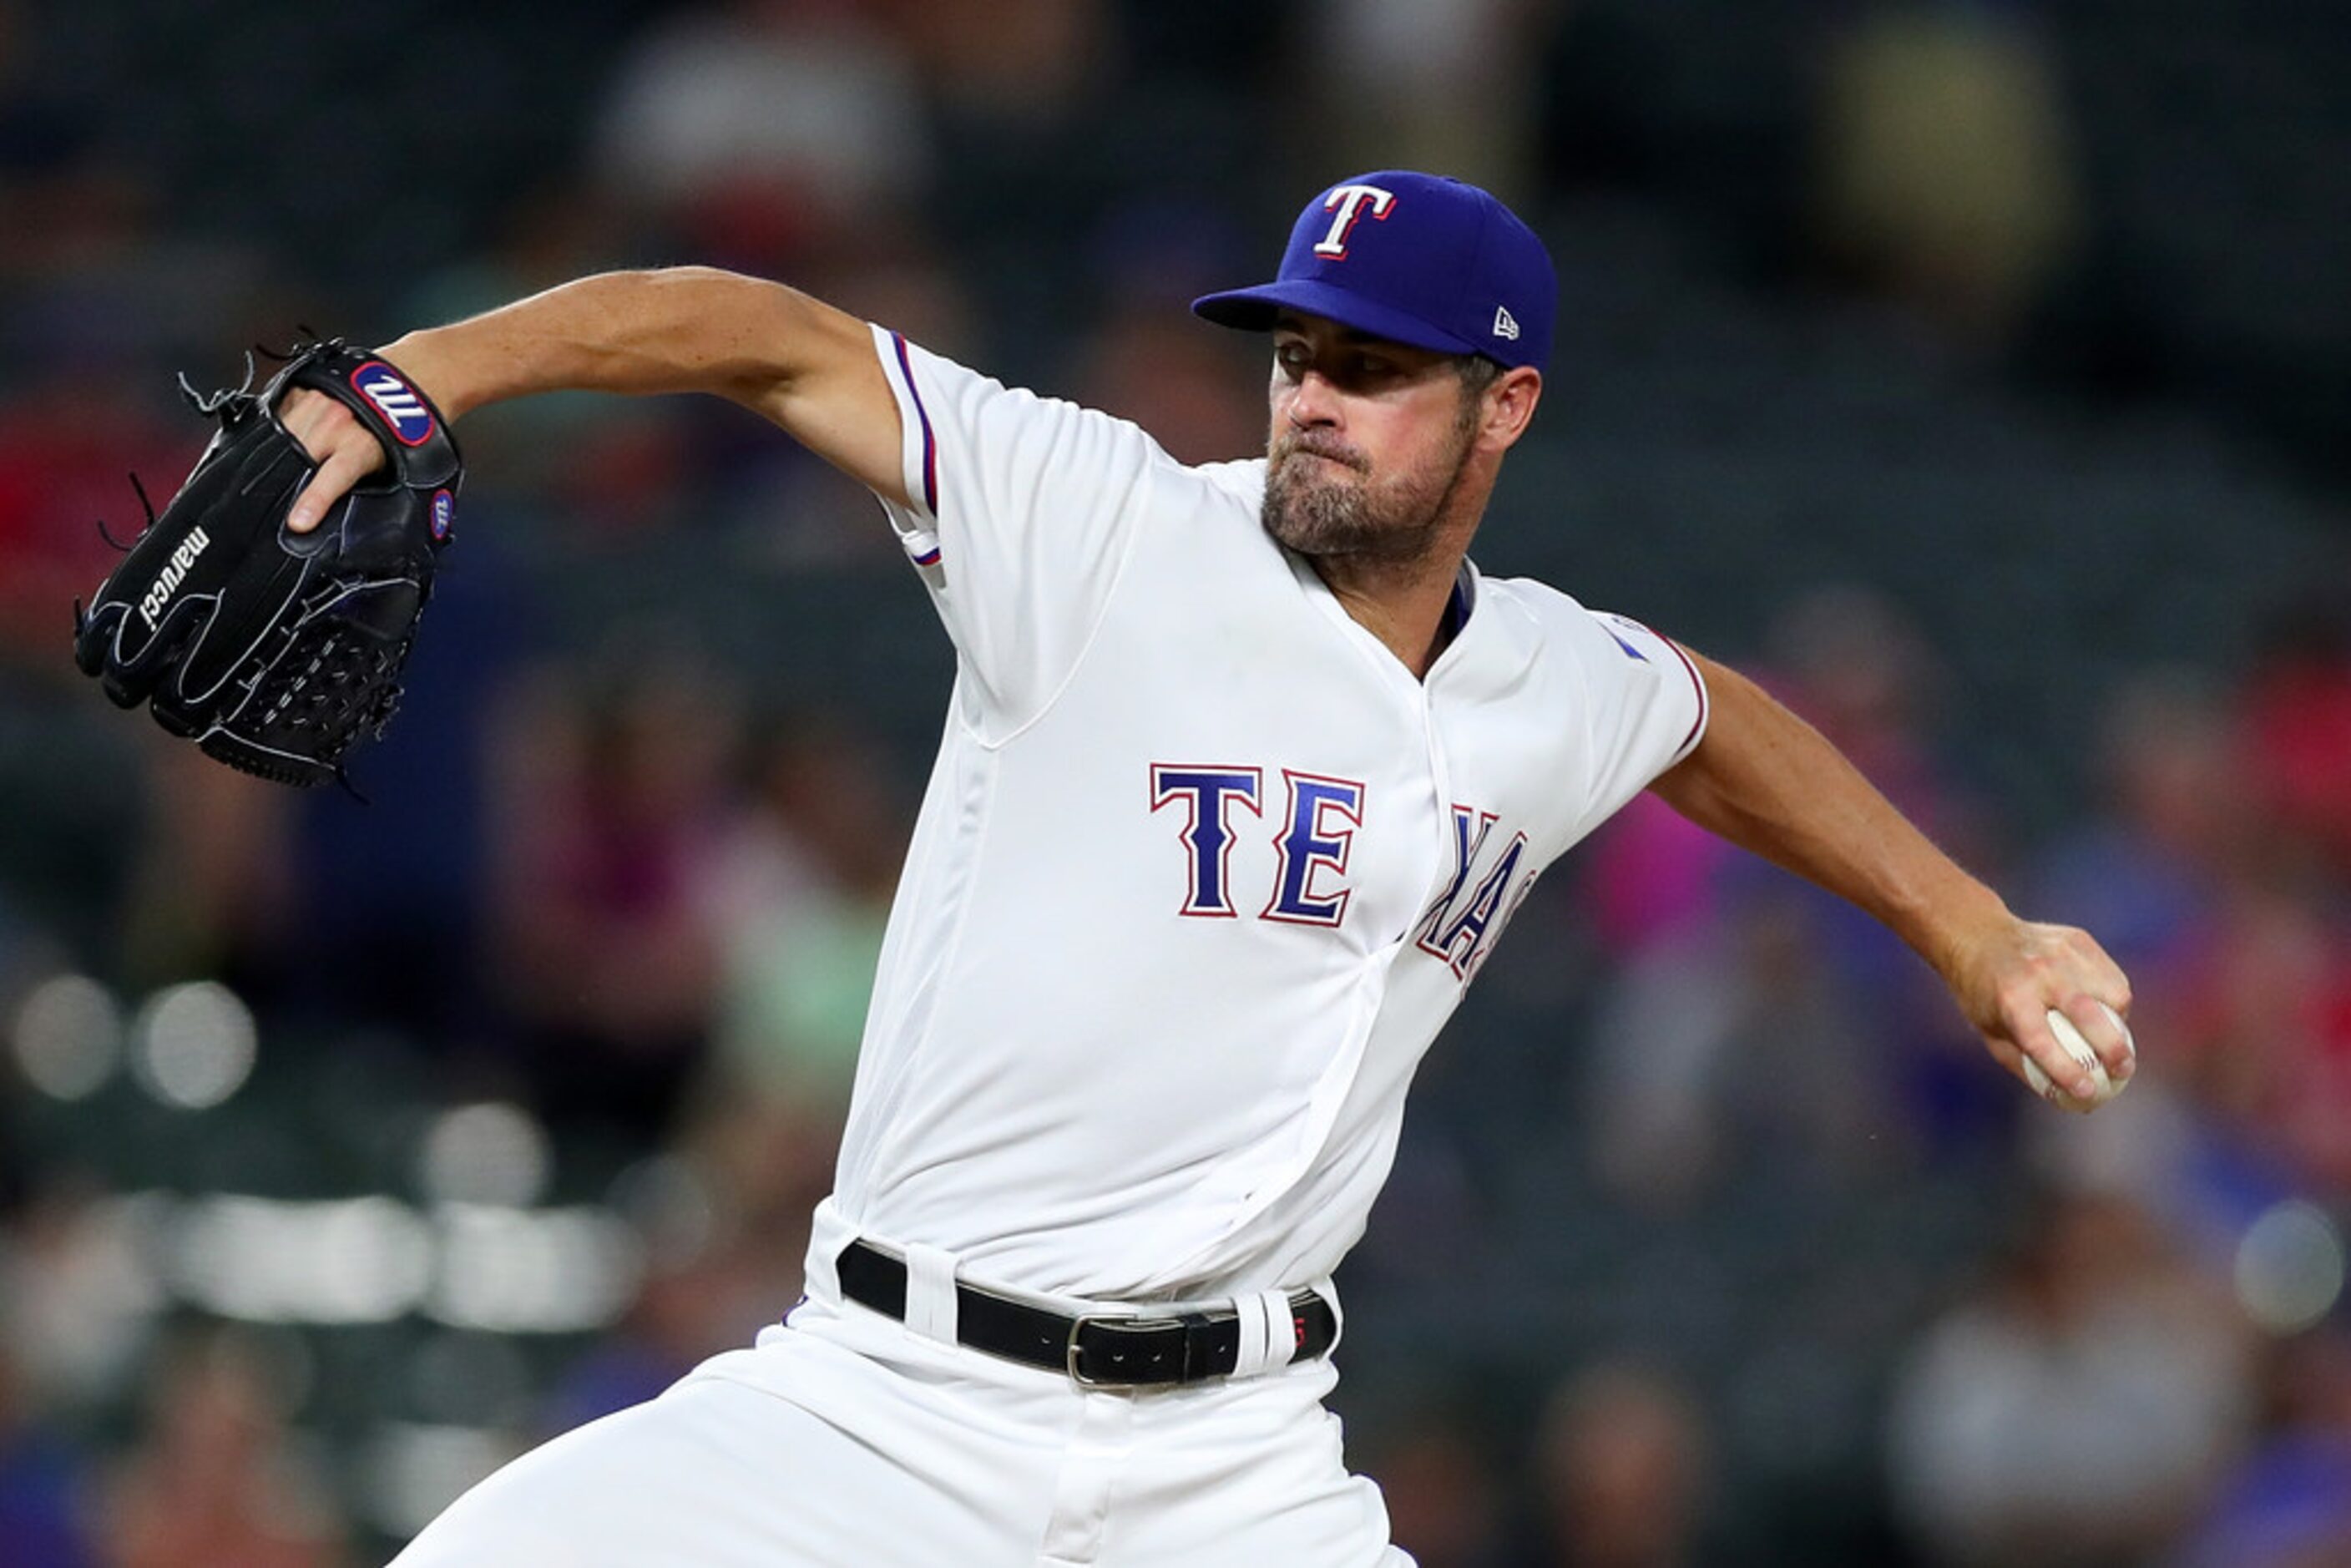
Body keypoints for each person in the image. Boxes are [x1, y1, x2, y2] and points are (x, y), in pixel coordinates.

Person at [275, 170, 2134, 1565]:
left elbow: (1714, 723)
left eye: (1374, 369)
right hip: (890, 1412)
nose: (1311, 395)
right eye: (1298, 351)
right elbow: (758, 334)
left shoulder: (1549, 674)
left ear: (1507, 409)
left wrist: (1968, 928)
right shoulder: (1099, 528)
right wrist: (428, 375)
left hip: (1234, 1470)